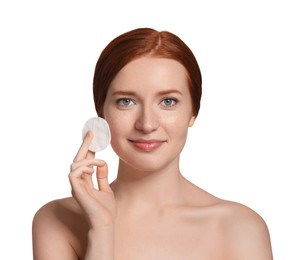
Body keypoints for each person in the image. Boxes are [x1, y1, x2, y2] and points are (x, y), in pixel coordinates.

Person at [32, 27, 273, 260]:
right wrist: (102, 229)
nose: (147, 124)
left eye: (168, 102)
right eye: (126, 101)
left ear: (193, 112)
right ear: (101, 112)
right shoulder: (56, 220)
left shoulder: (241, 228)